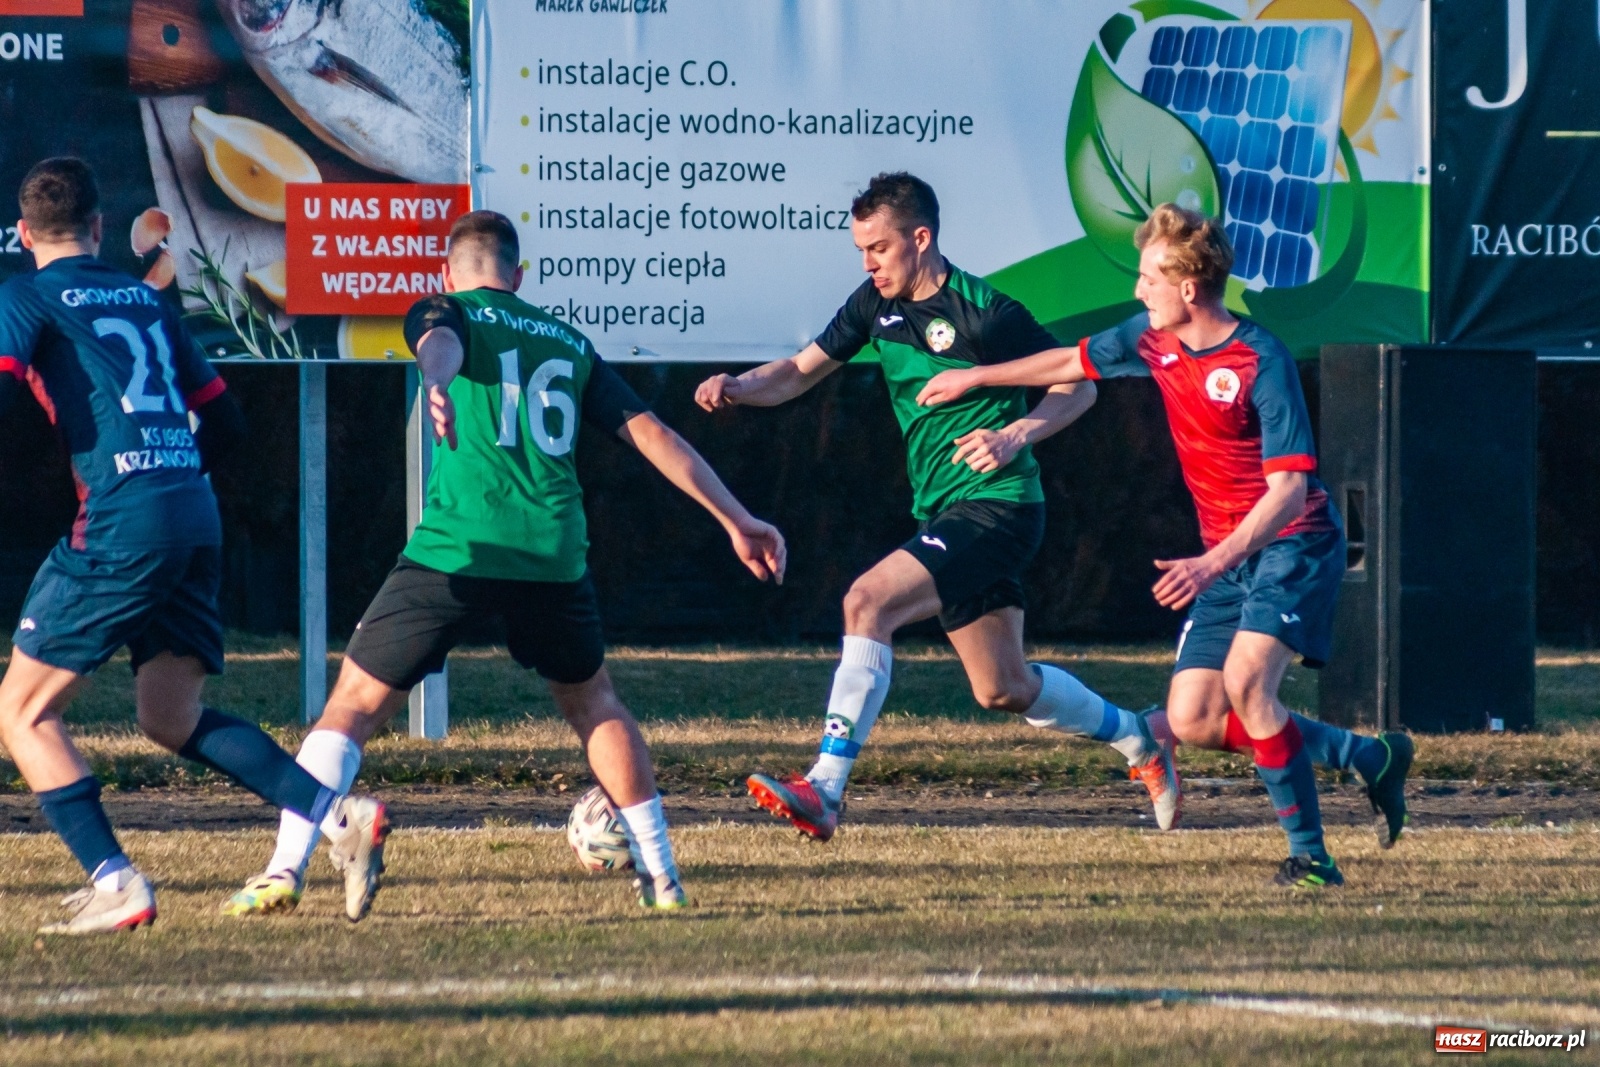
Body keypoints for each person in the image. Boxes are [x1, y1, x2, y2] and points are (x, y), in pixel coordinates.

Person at [225, 210, 786, 916]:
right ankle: (663, 874)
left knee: (353, 705)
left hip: (459, 549)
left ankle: (284, 868)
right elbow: (654, 434)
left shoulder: (447, 309)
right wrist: (737, 518)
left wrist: (436, 382)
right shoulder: (568, 341)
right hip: (552, 553)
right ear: (519, 276)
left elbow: (439, 341)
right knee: (595, 705)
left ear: (447, 273)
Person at [916, 203, 1413, 887]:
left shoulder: (1260, 359)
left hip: (1291, 544)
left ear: (1188, 288)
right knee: (1194, 716)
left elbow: (1289, 492)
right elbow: (1070, 360)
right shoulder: (1152, 340)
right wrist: (977, 377)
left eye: (1148, 278)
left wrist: (1213, 562)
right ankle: (1367, 757)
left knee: (1248, 686)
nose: (1138, 290)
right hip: (1223, 558)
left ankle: (1312, 858)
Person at [695, 172, 1179, 841]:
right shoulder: (874, 304)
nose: (868, 264)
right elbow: (799, 372)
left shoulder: (987, 314)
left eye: (879, 248)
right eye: (861, 250)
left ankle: (825, 788)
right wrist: (737, 386)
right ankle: (1138, 736)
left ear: (920, 239)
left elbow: (1079, 388)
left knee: (867, 602)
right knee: (1002, 686)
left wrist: (1015, 434)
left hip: (999, 506)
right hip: (946, 511)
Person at [0, 157, 386, 934]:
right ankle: (335, 813)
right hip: (191, 510)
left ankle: (115, 880)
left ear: (23, 234)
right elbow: (227, 422)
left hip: (122, 518)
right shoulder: (148, 299)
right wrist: (167, 476)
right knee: (170, 715)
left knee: (22, 712)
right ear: (100, 226)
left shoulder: (25, 294)